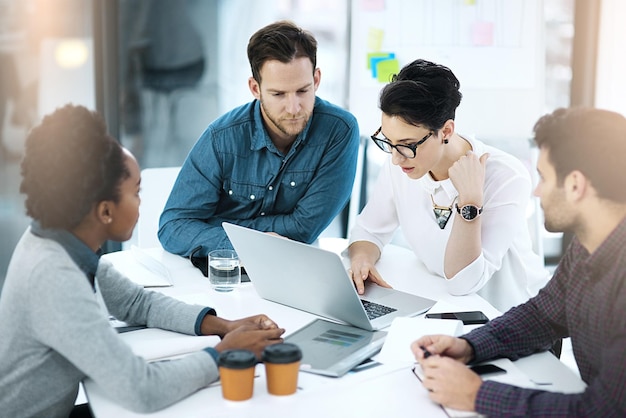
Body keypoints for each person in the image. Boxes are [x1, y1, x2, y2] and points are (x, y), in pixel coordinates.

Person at [0, 104, 285, 417]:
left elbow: (137, 303)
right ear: (105, 211)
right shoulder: (53, 276)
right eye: (136, 192)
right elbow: (142, 389)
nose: (141, 203)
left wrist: (224, 326)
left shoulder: (61, 242)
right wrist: (224, 354)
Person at [412, 107, 626, 416]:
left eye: (543, 177)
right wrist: (470, 346)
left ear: (576, 185)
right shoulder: (588, 244)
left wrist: (476, 394)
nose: (537, 191)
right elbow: (544, 314)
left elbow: (604, 411)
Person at [347, 59, 549, 312]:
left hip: (509, 319)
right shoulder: (401, 163)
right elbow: (369, 231)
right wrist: (362, 260)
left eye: (407, 145)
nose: (396, 158)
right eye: (388, 142)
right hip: (444, 308)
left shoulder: (506, 176)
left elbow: (464, 282)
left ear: (445, 131)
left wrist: (470, 201)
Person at [158, 20, 360, 273]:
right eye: (278, 94)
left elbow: (304, 229)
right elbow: (173, 226)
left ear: (316, 79)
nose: (294, 108)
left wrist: (221, 227)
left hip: (293, 271)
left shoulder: (339, 131)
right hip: (220, 274)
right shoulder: (221, 138)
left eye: (302, 91)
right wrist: (243, 244)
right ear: (255, 88)